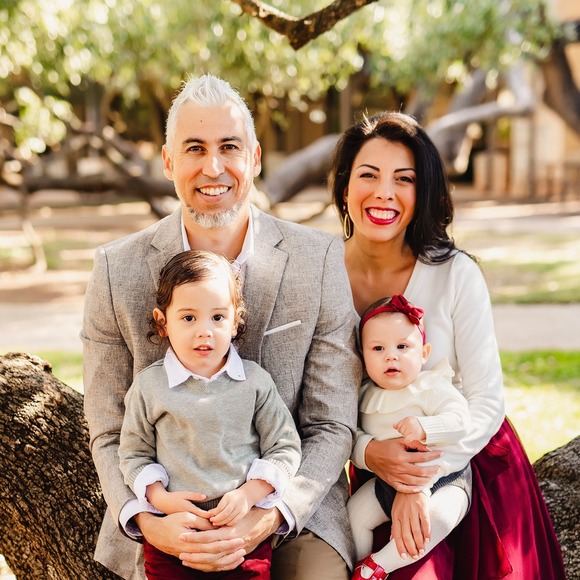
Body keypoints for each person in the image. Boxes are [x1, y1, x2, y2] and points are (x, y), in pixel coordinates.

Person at [82, 73, 362, 580]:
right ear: (169, 162)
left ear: (254, 158)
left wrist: (268, 515)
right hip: (164, 516)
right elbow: (108, 429)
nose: (213, 167)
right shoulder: (114, 270)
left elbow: (330, 424)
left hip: (292, 507)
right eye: (194, 148)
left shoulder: (318, 259)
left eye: (229, 147)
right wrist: (150, 521)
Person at [329, 111, 566, 579]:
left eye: (404, 179)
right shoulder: (318, 271)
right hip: (368, 464)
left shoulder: (456, 274)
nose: (384, 192)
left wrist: (418, 482)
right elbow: (309, 404)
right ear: (344, 187)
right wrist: (369, 454)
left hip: (462, 460)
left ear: (425, 193)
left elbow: (486, 402)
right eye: (368, 175)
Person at [118, 249, 302, 578]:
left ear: (235, 321)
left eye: (217, 317)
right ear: (162, 322)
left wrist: (250, 493)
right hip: (174, 532)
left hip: (240, 532)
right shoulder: (149, 387)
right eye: (189, 318)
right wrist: (160, 499)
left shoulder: (255, 382)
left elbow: (285, 446)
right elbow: (133, 453)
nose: (205, 331)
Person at [348, 294, 471, 580]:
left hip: (443, 478)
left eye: (402, 346)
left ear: (424, 353)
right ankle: (355, 564)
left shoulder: (431, 388)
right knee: (353, 515)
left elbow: (461, 420)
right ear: (363, 356)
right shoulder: (365, 396)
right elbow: (352, 436)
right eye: (378, 348)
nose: (391, 356)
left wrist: (425, 427)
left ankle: (377, 567)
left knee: (438, 519)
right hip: (388, 480)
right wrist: (367, 449)